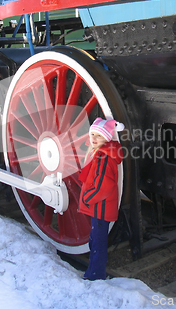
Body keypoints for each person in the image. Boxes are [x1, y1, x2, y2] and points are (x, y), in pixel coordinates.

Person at [78, 117, 125, 280]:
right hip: (100, 207)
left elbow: (103, 186)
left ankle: (95, 275)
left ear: (107, 138)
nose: (93, 138)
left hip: (100, 207)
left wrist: (86, 197)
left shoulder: (103, 158)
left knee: (97, 244)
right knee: (95, 241)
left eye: (99, 135)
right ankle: (94, 271)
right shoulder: (99, 153)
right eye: (92, 134)